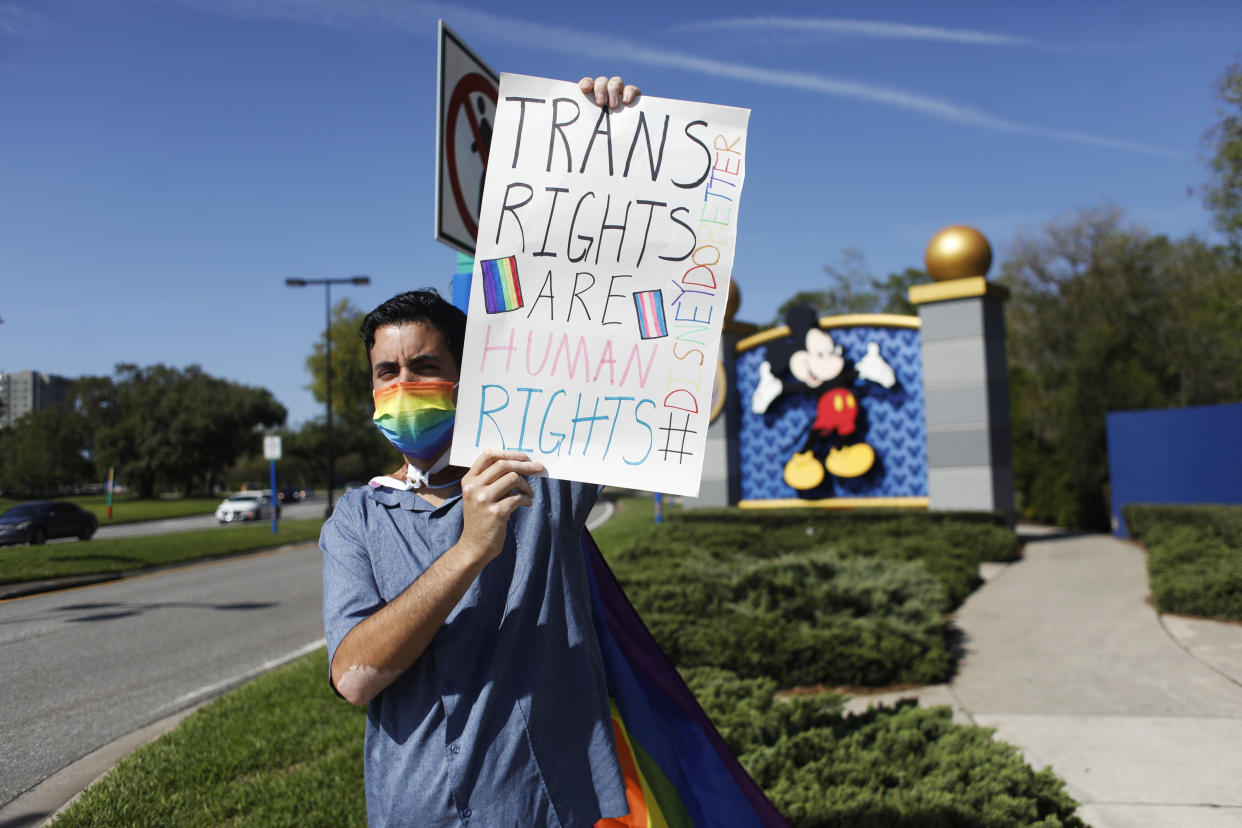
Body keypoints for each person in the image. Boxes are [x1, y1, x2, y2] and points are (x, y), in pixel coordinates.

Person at [321, 77, 640, 828]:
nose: (405, 385)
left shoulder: (541, 480)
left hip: (548, 809)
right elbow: (355, 679)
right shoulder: (356, 519)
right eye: (386, 372)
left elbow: (619, 330)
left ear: (470, 377)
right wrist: (470, 549)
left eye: (427, 367)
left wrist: (609, 149)